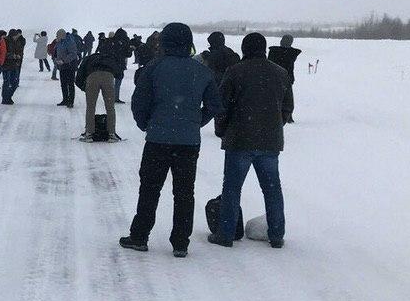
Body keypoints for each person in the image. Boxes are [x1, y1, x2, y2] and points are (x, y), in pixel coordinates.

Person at [119, 22, 220, 257]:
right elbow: (215, 104)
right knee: (184, 193)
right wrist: (196, 122)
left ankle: (139, 236)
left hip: (157, 140)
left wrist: (147, 124)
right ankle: (180, 243)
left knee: (149, 189)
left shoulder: (154, 67)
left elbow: (139, 102)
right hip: (189, 142)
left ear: (164, 41)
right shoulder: (202, 71)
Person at [210, 32, 291, 248]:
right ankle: (276, 234)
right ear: (264, 48)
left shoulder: (235, 71)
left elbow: (222, 106)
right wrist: (273, 126)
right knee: (272, 190)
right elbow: (287, 107)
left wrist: (222, 130)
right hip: (270, 142)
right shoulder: (281, 73)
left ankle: (226, 234)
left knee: (232, 189)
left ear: (245, 49)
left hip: (239, 139)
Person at [75, 47, 125, 142]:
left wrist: (84, 88)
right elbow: (120, 73)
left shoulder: (89, 58)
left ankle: (89, 134)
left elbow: (79, 76)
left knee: (90, 107)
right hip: (108, 77)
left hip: (92, 77)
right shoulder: (111, 58)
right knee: (110, 107)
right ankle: (111, 134)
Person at [268, 35, 302, 122]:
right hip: (287, 77)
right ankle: (288, 116)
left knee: (274, 97)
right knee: (287, 99)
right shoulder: (292, 53)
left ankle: (275, 114)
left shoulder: (274, 51)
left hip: (274, 77)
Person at [54, 29, 81, 107]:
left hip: (70, 66)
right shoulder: (59, 42)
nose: (56, 37)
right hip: (62, 66)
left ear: (61, 35)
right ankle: (65, 100)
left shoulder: (70, 42)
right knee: (63, 84)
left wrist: (64, 60)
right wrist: (56, 59)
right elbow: (57, 52)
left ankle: (71, 102)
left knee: (70, 84)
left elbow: (73, 54)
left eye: (57, 35)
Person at [2, 28, 26, 103]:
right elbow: (3, 53)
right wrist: (13, 56)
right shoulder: (5, 41)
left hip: (14, 65)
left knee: (14, 83)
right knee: (7, 82)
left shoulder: (16, 42)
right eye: (15, 36)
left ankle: (8, 97)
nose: (16, 37)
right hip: (6, 65)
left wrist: (18, 59)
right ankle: (5, 98)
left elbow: (20, 49)